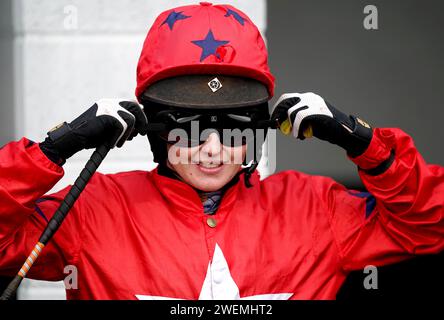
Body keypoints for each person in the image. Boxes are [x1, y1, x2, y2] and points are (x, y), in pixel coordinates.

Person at [0, 2, 443, 300]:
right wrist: (53, 149)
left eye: (233, 130)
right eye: (189, 130)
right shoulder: (93, 210)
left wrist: (366, 145)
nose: (212, 150)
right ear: (154, 130)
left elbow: (427, 226)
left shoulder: (315, 208)